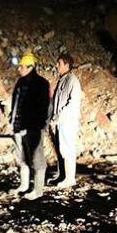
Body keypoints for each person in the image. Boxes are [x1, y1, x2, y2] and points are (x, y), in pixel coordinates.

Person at [9, 51, 50, 200]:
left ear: (30, 67)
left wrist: (36, 125)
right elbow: (16, 105)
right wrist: (12, 122)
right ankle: (24, 185)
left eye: (21, 67)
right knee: (22, 158)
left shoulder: (41, 84)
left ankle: (38, 190)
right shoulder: (20, 83)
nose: (19, 69)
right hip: (19, 127)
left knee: (36, 159)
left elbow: (43, 108)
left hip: (33, 128)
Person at [48, 53, 82, 188]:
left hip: (67, 122)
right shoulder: (63, 79)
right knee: (60, 148)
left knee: (67, 149)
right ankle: (61, 175)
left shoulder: (72, 81)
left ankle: (69, 178)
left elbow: (72, 103)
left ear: (67, 65)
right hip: (60, 122)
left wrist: (59, 116)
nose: (57, 66)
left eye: (59, 63)